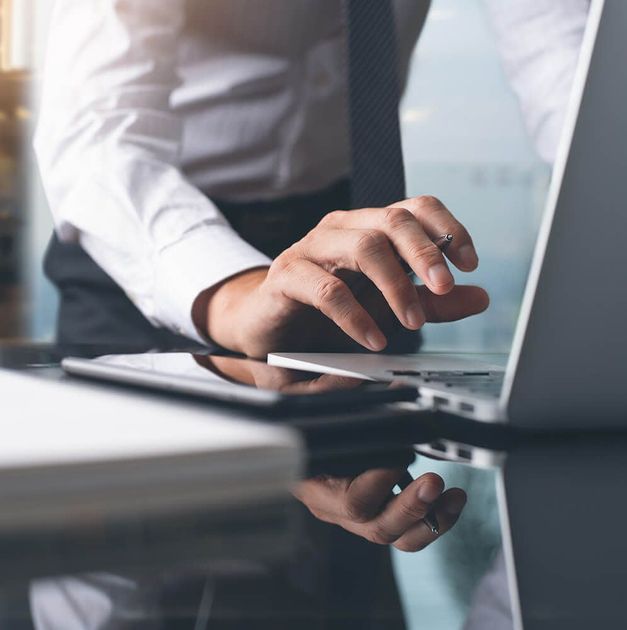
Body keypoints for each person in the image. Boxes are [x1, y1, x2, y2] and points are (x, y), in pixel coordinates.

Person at [30, 0, 588, 628]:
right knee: (118, 575)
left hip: (346, 254)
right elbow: (98, 133)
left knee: (364, 525)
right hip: (148, 247)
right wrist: (236, 292)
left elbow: (570, 74)